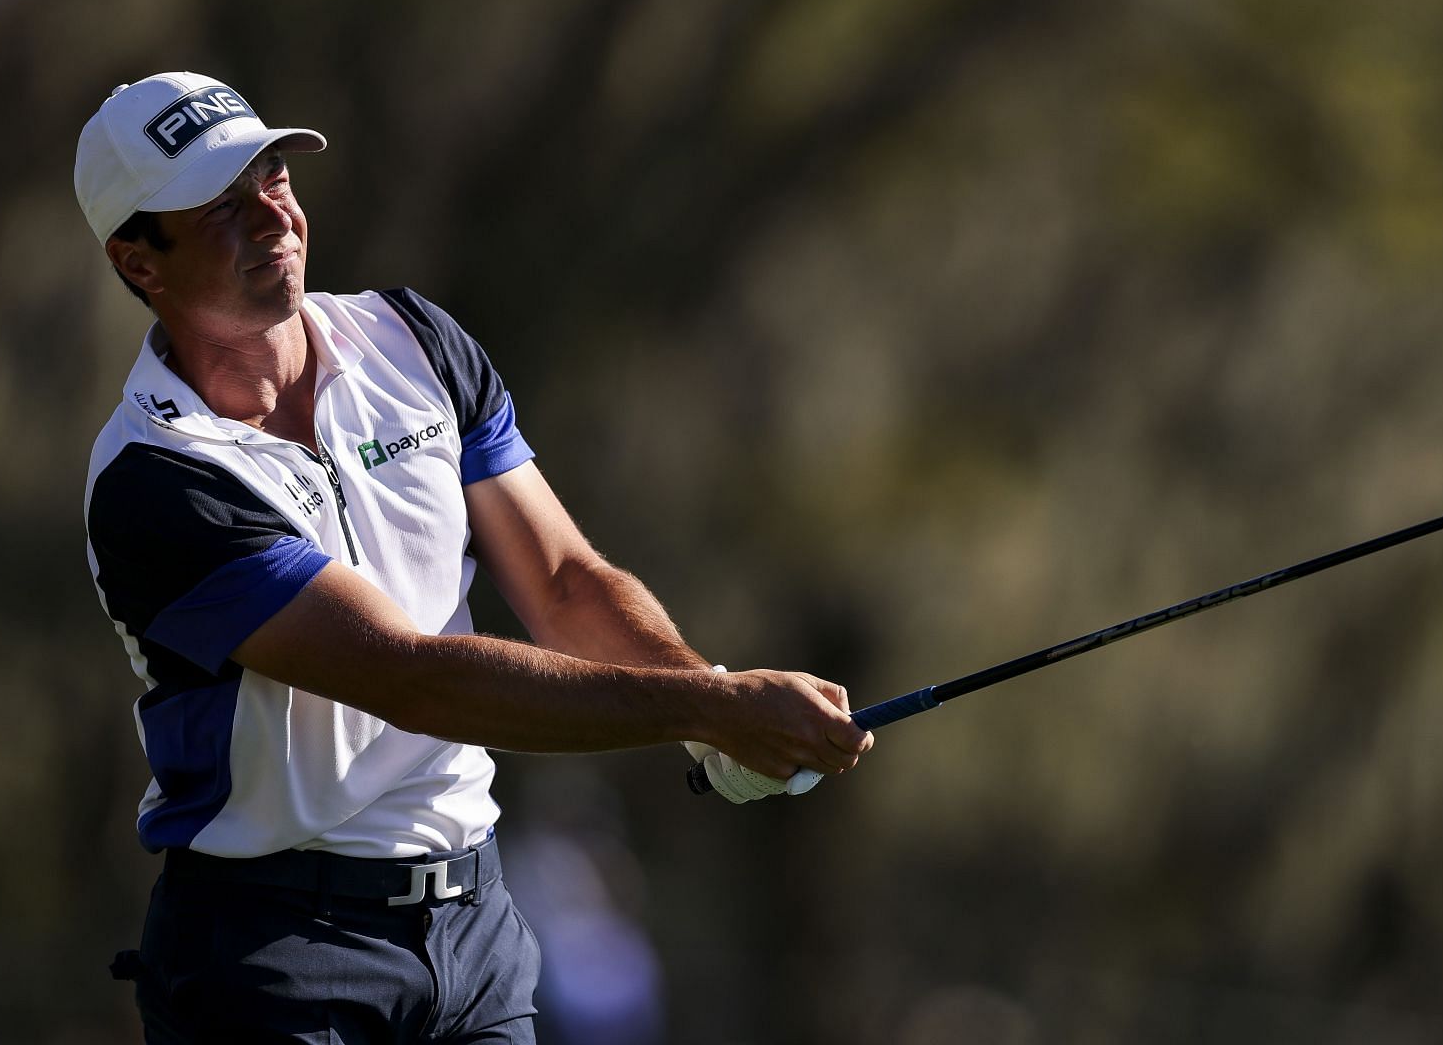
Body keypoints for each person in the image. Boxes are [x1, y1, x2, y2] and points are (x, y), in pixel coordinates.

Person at [76, 71, 872, 1043]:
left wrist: (710, 700)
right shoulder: (156, 477)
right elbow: (410, 678)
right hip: (272, 949)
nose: (271, 215)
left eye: (273, 174)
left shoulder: (411, 338)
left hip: (476, 928)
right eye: (220, 204)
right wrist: (710, 707)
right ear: (139, 259)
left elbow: (564, 578)